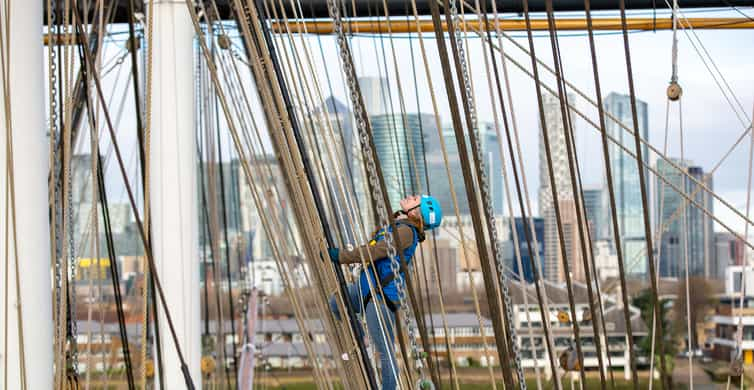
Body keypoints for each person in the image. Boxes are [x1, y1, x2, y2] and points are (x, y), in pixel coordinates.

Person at [328, 194, 442, 390]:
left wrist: (341, 256)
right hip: (366, 288)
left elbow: (376, 251)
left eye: (415, 198)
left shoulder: (406, 231)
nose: (410, 196)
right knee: (336, 303)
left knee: (386, 353)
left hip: (379, 298)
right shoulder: (398, 226)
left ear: (416, 211)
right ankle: (362, 338)